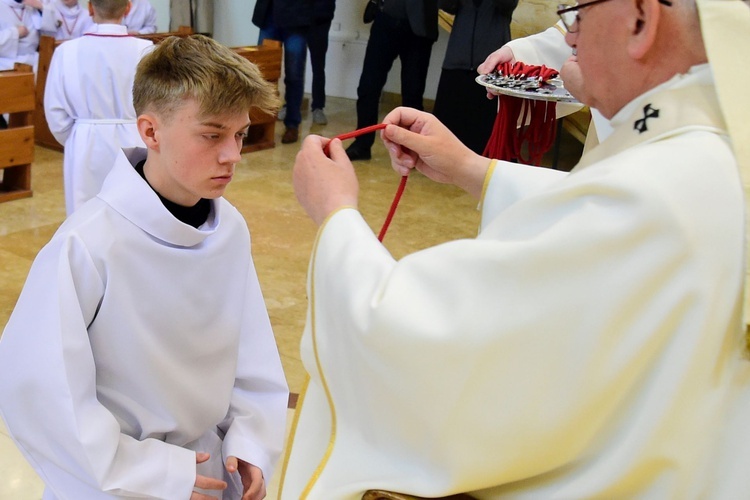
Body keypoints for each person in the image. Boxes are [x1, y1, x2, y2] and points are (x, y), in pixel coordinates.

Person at [278, 0, 750, 497]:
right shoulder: (710, 154)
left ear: (641, 20)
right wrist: (473, 169)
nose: (569, 39)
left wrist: (335, 215)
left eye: (578, 16)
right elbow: (591, 226)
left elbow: (417, 335)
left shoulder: (658, 185)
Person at [0, 34, 289, 499]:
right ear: (150, 132)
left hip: (213, 468)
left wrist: (251, 440)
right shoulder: (88, 244)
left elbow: (250, 353)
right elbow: (41, 394)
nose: (233, 155)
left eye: (240, 135)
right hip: (120, 479)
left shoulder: (230, 229)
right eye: (212, 135)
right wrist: (154, 473)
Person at [44, 0, 152, 215]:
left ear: (90, 8)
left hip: (86, 144)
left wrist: (78, 137)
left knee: (86, 217)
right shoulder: (147, 51)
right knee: (134, 214)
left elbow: (55, 112)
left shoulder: (66, 51)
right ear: (128, 8)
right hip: (137, 139)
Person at [344, 0, 439, 161]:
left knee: (413, 93)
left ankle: (412, 149)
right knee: (368, 87)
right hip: (386, 19)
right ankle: (362, 144)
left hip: (419, 28)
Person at [432, 0, 518, 154]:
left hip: (490, 64)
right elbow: (447, 4)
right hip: (457, 59)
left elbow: (507, 4)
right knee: (447, 124)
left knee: (487, 128)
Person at [252, 0, 313, 144]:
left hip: (298, 17)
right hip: (268, 13)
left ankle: (292, 124)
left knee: (294, 74)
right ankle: (261, 123)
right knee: (264, 73)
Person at [307, 0, 335, 125]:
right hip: (296, 16)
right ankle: (289, 106)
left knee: (318, 66)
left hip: (321, 18)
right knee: (293, 66)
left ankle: (318, 107)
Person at [0, 0, 42, 72]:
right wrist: (15, 33)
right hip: (5, 64)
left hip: (33, 61)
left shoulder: (31, 6)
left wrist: (42, 9)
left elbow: (50, 35)